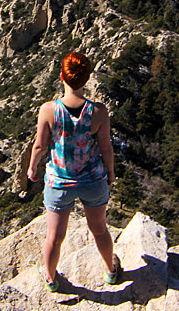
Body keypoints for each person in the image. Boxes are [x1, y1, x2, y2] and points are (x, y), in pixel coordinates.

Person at [27, 51, 120, 292]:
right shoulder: (98, 112)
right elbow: (106, 147)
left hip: (59, 182)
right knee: (99, 229)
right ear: (87, 79)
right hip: (92, 179)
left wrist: (32, 167)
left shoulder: (49, 110)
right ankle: (111, 269)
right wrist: (110, 172)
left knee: (54, 238)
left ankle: (50, 278)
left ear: (62, 77)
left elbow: (39, 145)